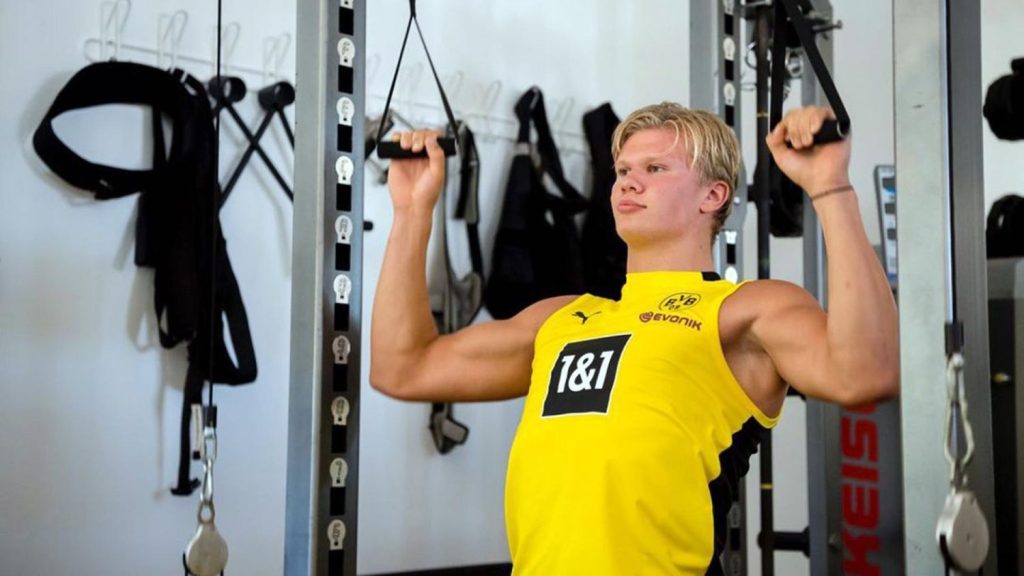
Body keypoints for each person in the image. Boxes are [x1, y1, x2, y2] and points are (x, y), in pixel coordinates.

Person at [370, 103, 899, 575]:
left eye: (654, 169)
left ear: (713, 195)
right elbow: (403, 367)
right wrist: (413, 211)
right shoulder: (563, 318)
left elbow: (867, 372)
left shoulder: (743, 311)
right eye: (623, 170)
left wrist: (831, 187)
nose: (627, 181)